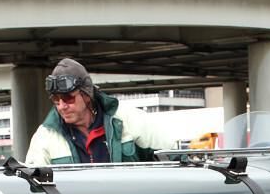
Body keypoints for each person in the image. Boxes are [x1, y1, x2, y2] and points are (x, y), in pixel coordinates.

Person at [25, 58, 171, 166]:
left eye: (68, 98)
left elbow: (173, 162)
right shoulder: (44, 137)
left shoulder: (131, 120)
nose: (62, 106)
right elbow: (33, 188)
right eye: (56, 99)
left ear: (87, 95)